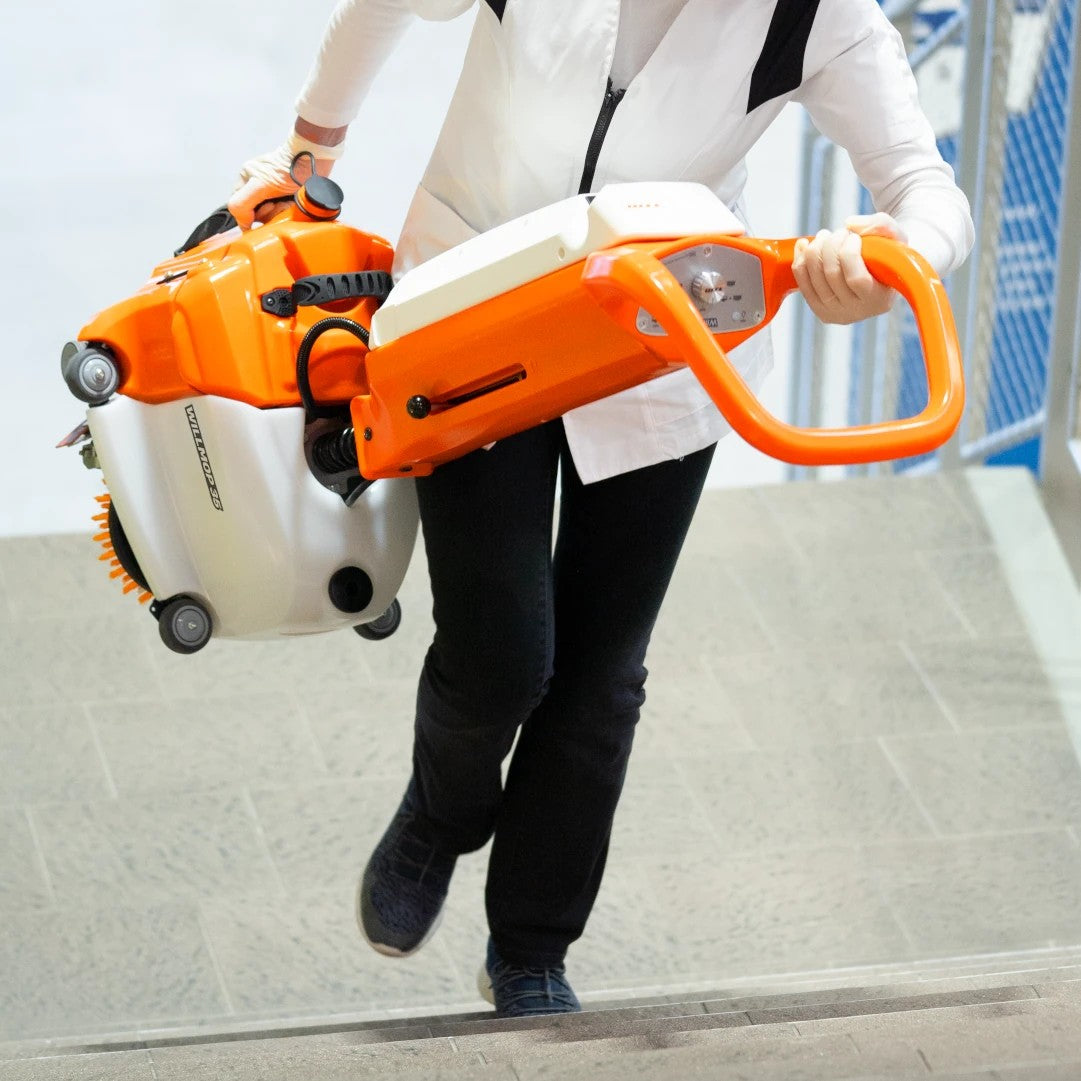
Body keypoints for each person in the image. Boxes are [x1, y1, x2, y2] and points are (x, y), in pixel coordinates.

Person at [229, 0, 974, 1018]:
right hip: (474, 315)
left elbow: (928, 192)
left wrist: (892, 259)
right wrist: (312, 143)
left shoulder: (817, 13)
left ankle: (530, 946)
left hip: (661, 346)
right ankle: (442, 811)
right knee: (500, 651)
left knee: (600, 676)